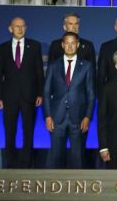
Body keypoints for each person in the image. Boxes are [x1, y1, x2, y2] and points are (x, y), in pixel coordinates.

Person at [0, 17, 44, 168]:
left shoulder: (34, 46)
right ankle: (11, 162)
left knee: (28, 130)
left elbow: (39, 72)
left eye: (23, 26)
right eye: (17, 26)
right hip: (9, 97)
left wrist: (40, 93)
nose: (20, 29)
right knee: (10, 130)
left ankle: (26, 163)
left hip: (29, 96)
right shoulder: (2, 48)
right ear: (10, 29)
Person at [43, 32, 95, 169]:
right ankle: (53, 186)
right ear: (62, 45)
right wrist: (48, 116)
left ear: (78, 45)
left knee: (77, 156)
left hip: (78, 118)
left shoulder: (87, 66)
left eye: (73, 43)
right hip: (56, 117)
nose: (70, 46)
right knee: (55, 155)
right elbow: (46, 92)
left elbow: (90, 93)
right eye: (67, 43)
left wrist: (87, 117)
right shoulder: (54, 65)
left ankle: (76, 188)